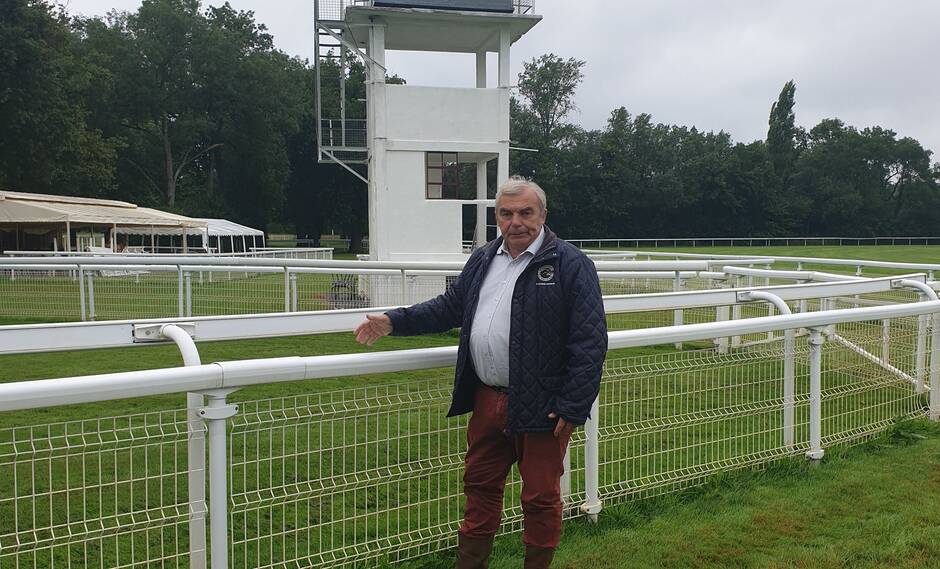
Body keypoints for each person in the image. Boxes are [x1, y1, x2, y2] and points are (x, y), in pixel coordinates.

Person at [354, 176, 607, 569]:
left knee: (540, 497)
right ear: (496, 217)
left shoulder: (570, 264)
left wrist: (573, 406)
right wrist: (393, 321)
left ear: (543, 214)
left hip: (543, 406)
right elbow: (449, 306)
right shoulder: (484, 258)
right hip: (487, 398)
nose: (516, 222)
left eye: (526, 212)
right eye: (506, 214)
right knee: (479, 489)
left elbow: (589, 342)